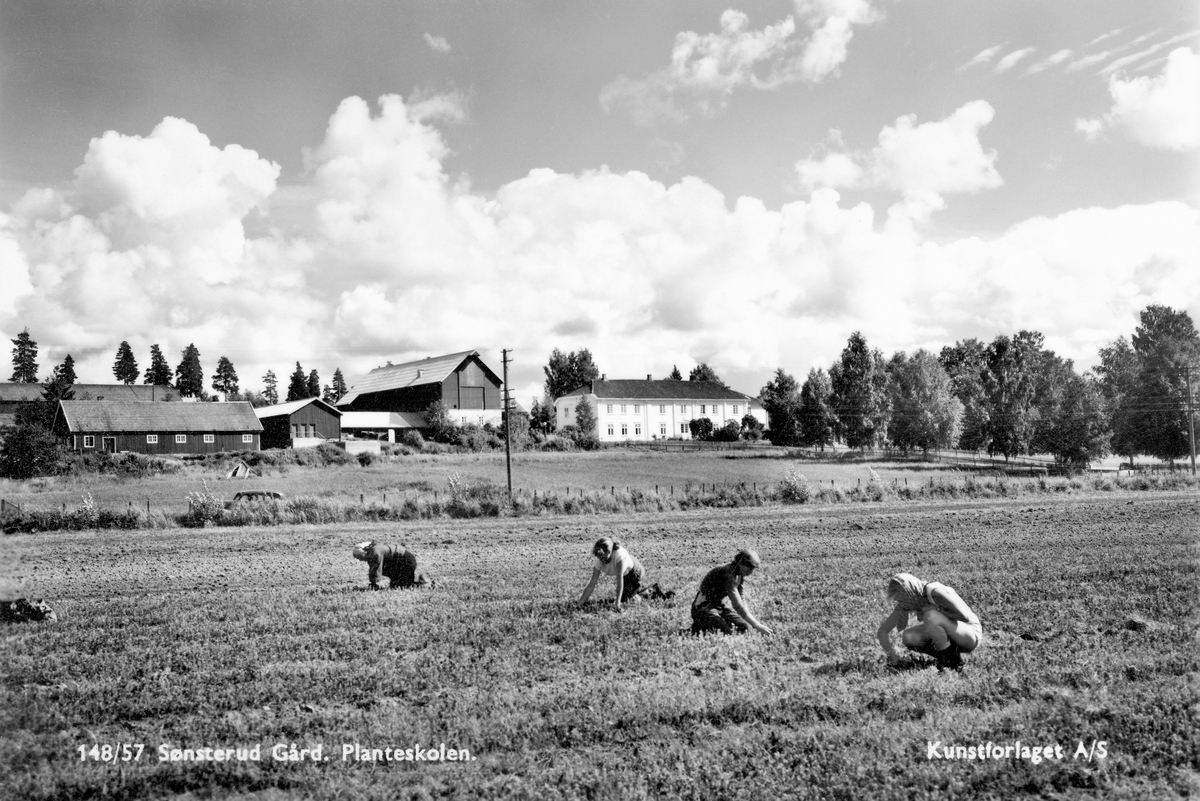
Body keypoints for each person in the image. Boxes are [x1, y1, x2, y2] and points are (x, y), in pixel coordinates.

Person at [877, 572, 981, 671]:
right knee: (909, 636)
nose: (902, 603)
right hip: (952, 634)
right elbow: (883, 631)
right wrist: (892, 654)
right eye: (898, 600)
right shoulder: (910, 600)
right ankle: (947, 656)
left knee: (931, 616)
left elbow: (964, 616)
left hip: (970, 634)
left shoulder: (934, 592)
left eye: (903, 599)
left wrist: (935, 609)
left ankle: (952, 663)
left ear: (910, 591)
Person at [690, 549, 773, 636]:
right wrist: (757, 625)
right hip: (702, 608)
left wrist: (752, 621)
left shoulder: (739, 575)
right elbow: (738, 605)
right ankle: (697, 629)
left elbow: (741, 600)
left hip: (718, 608)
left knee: (744, 627)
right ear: (741, 563)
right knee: (726, 633)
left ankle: (701, 627)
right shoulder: (728, 574)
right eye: (750, 567)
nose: (751, 571)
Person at [578, 538, 654, 611]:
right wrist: (580, 603)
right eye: (599, 557)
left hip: (636, 572)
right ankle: (635, 590)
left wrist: (618, 603)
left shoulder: (620, 557)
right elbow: (592, 583)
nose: (602, 560)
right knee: (624, 596)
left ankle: (651, 591)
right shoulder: (599, 559)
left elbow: (619, 582)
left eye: (604, 557)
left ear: (610, 552)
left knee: (626, 600)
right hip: (625, 574)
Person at [352, 541, 432, 590]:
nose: (360, 560)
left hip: (406, 562)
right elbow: (374, 570)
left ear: (364, 552)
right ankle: (417, 581)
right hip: (399, 563)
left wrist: (374, 584)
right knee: (395, 586)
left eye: (359, 557)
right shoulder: (373, 552)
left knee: (404, 587)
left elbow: (376, 570)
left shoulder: (375, 553)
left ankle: (425, 584)